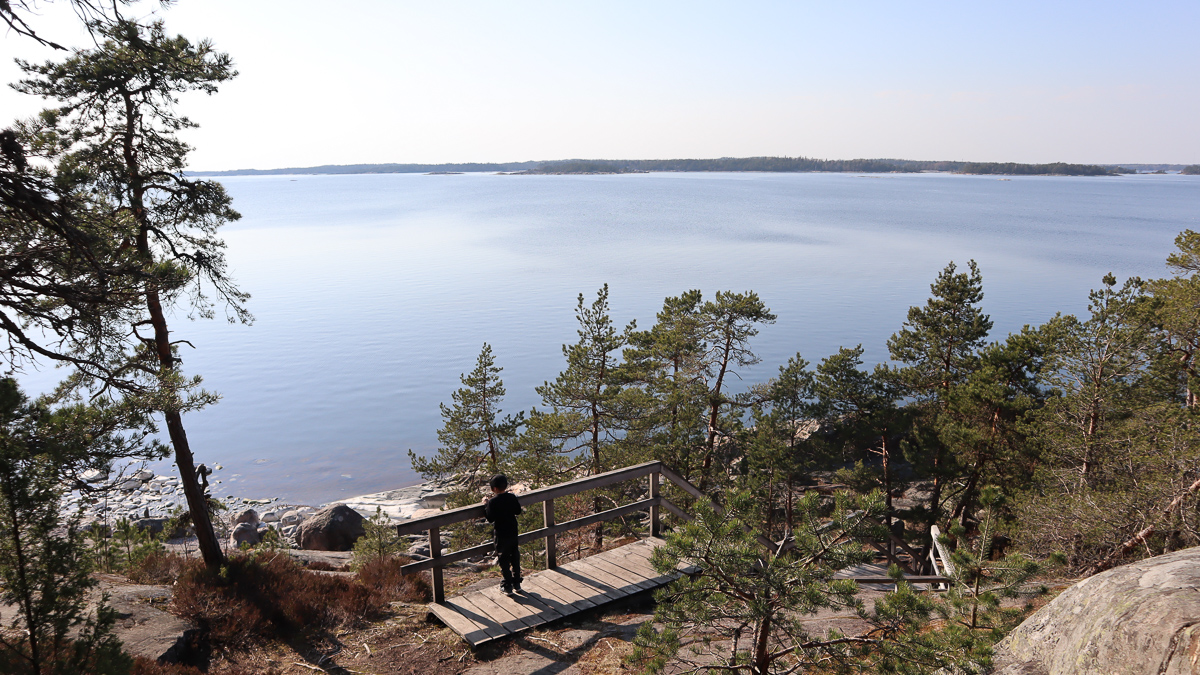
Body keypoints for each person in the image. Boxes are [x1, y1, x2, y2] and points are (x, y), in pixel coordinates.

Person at [483, 473, 523, 593]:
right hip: (513, 531)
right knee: (515, 555)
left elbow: (490, 518)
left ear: (494, 489)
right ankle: (517, 583)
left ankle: (507, 585)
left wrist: (486, 504)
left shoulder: (493, 502)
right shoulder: (512, 497)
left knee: (503, 558)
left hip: (501, 533)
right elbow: (518, 511)